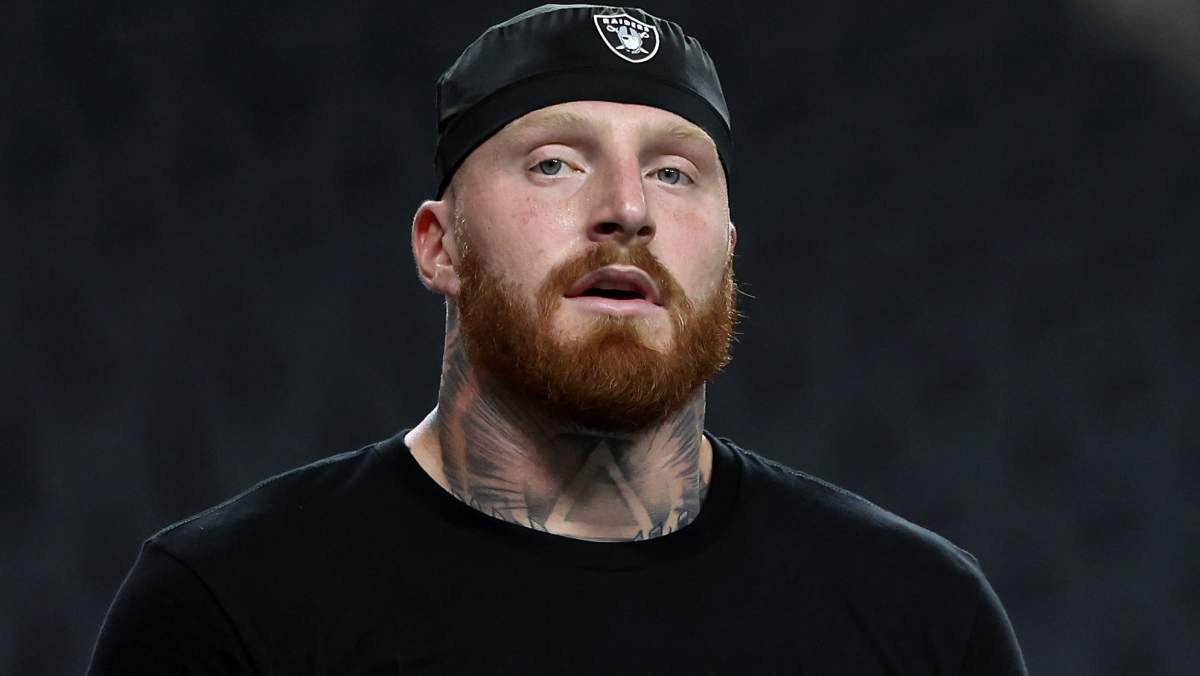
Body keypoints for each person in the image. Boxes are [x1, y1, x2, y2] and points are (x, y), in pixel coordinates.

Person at [88, 5, 1028, 674]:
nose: (626, 209)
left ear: (728, 251)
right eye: (554, 164)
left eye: (673, 172)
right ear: (440, 245)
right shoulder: (231, 603)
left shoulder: (921, 617)